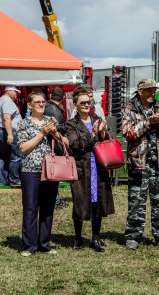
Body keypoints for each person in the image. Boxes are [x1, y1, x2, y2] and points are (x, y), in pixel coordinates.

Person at [122, 79, 159, 250]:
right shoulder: (129, 109)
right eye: (148, 90)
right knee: (136, 203)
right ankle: (133, 236)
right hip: (138, 164)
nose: (152, 93)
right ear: (140, 91)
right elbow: (128, 134)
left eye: (154, 90)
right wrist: (147, 123)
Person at [17, 91, 69, 257]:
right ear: (30, 105)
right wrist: (42, 134)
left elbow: (66, 143)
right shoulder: (23, 123)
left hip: (50, 170)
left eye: (43, 102)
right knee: (31, 208)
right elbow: (23, 148)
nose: (41, 104)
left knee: (47, 208)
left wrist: (55, 134)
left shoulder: (51, 121)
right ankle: (29, 246)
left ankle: (44, 244)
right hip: (30, 170)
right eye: (37, 102)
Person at [66, 86, 114, 252]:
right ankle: (78, 238)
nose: (87, 105)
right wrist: (93, 135)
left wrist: (102, 134)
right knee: (80, 202)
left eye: (89, 102)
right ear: (76, 105)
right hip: (82, 168)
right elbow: (75, 145)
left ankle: (95, 238)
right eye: (83, 103)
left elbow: (107, 140)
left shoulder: (97, 119)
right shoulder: (71, 124)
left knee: (97, 202)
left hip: (97, 167)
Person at [43, 87, 68, 209]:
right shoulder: (55, 110)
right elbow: (54, 128)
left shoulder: (47, 106)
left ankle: (54, 200)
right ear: (63, 98)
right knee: (54, 173)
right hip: (52, 144)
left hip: (46, 143)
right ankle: (55, 201)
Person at [0, 86, 22, 187]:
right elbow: (7, 118)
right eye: (15, 92)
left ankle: (3, 181)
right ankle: (14, 180)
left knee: (3, 156)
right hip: (8, 131)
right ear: (8, 91)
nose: (16, 94)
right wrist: (10, 134)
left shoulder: (1, 100)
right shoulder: (7, 101)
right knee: (15, 156)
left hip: (1, 130)